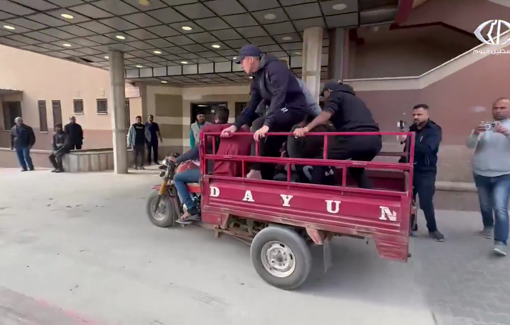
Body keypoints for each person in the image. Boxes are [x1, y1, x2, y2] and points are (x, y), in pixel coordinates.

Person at [221, 44, 308, 180]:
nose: (241, 66)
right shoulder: (257, 78)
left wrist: (267, 124)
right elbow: (252, 105)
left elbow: (279, 96)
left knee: (258, 123)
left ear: (250, 59)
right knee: (270, 147)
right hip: (280, 113)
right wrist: (234, 126)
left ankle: (255, 169)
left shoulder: (276, 67)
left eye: (242, 61)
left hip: (294, 109)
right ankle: (267, 178)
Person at [168, 108, 251, 224]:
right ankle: (197, 202)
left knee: (177, 178)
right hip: (232, 169)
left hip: (211, 171)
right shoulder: (235, 132)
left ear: (215, 118)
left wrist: (177, 160)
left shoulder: (210, 133)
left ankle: (191, 209)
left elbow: (193, 152)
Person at [293, 80, 382, 188]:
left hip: (355, 138)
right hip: (375, 141)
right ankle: (371, 195)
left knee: (320, 161)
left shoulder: (336, 95)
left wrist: (306, 128)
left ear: (328, 91)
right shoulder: (356, 100)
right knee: (356, 169)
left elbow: (326, 115)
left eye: (324, 95)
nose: (324, 99)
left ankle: (315, 195)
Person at [467, 97, 510, 256]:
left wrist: (507, 134)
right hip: (481, 173)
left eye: (502, 108)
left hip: (504, 175)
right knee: (485, 205)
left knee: (500, 208)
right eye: (495, 108)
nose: (498, 110)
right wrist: (475, 133)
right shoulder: (485, 126)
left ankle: (501, 242)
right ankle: (488, 226)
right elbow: (469, 145)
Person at [399, 104, 444, 242]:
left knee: (425, 201)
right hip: (410, 169)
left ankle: (433, 229)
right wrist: (402, 161)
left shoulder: (434, 130)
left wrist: (407, 139)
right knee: (408, 199)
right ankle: (412, 226)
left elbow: (427, 149)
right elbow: (407, 150)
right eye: (414, 115)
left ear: (427, 115)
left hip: (426, 171)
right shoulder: (412, 129)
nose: (416, 117)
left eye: (419, 114)